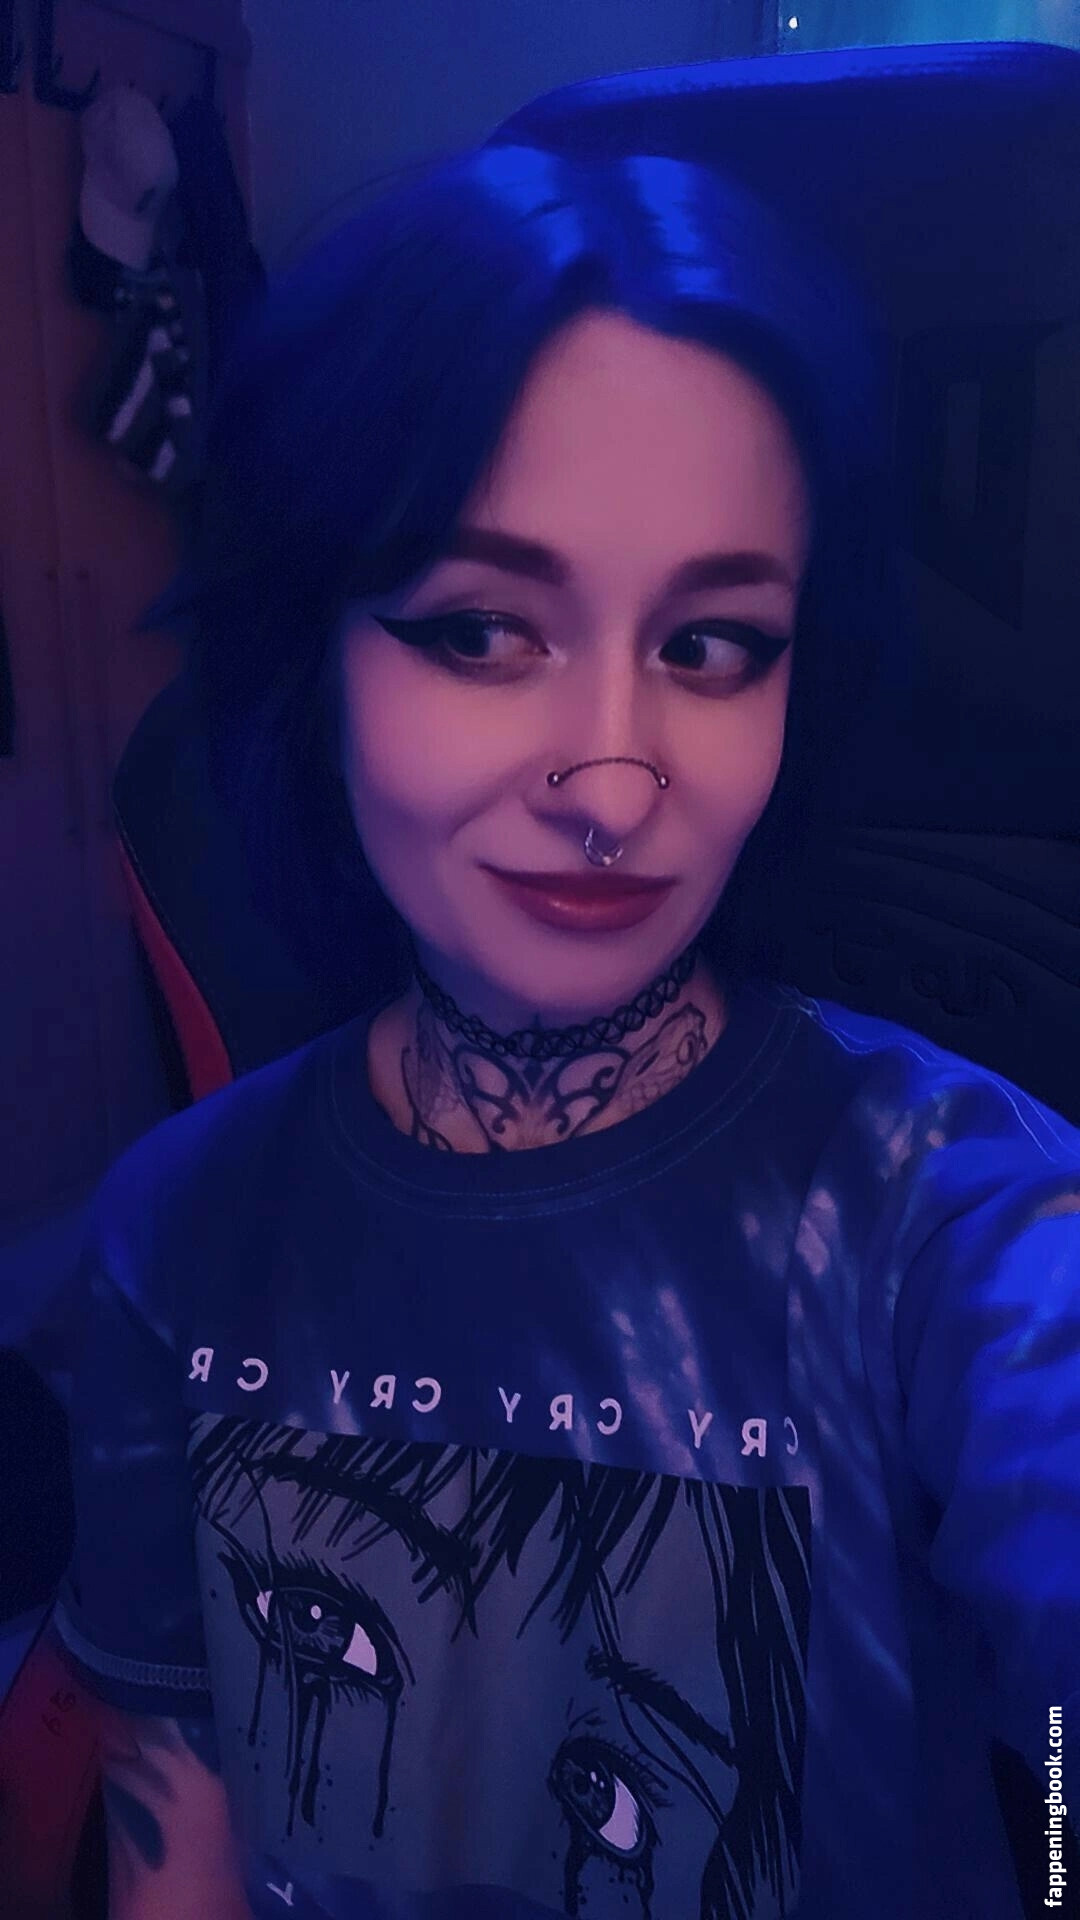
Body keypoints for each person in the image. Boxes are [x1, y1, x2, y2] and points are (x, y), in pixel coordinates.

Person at [51, 134, 1079, 1920]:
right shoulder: (181, 1229)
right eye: (480, 632)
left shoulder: (948, 1213)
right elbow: (181, 1820)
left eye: (711, 647)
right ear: (314, 657)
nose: (613, 783)